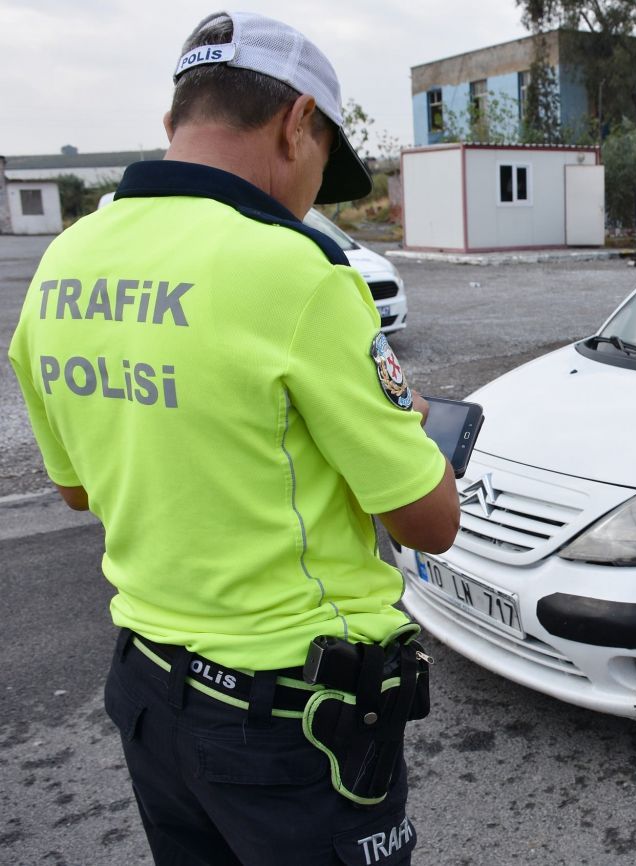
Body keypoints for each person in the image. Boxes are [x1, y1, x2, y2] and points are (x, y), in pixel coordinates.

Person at [7, 11, 460, 865]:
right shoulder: (297, 273)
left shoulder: (63, 262)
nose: (313, 192)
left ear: (176, 121)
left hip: (148, 694)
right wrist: (406, 429)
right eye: (324, 163)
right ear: (298, 124)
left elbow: (77, 488)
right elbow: (429, 523)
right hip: (294, 727)